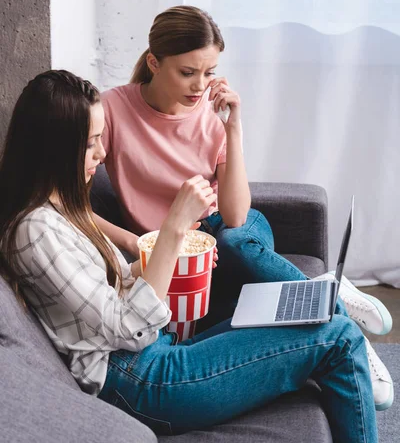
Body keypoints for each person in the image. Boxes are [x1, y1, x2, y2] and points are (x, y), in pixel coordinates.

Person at [0, 70, 381, 441]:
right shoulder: (35, 230)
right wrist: (173, 228)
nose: (101, 153)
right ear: (53, 148)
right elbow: (126, 327)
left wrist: (174, 258)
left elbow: (112, 287)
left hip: (154, 354)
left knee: (305, 312)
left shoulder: (64, 211)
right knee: (340, 338)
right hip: (139, 379)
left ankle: (327, 297)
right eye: (90, 143)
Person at [95, 5, 393, 411]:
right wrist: (134, 240)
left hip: (229, 228)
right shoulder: (112, 109)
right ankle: (327, 287)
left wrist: (232, 127)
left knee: (236, 239)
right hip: (177, 251)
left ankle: (344, 329)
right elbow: (71, 203)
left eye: (209, 71)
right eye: (187, 72)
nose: (200, 85)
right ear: (154, 61)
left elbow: (235, 215)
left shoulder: (211, 115)